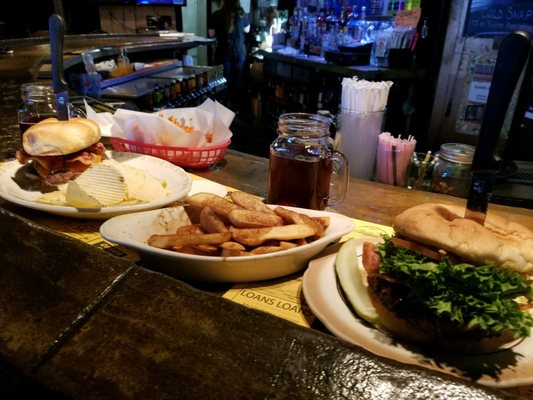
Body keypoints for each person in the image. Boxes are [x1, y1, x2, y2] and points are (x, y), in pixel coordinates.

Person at [208, 0, 250, 111]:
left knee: (223, 79)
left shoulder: (217, 14)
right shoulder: (242, 13)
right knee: (237, 77)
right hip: (239, 50)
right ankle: (235, 106)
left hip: (223, 50)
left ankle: (223, 107)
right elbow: (247, 29)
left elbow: (211, 34)